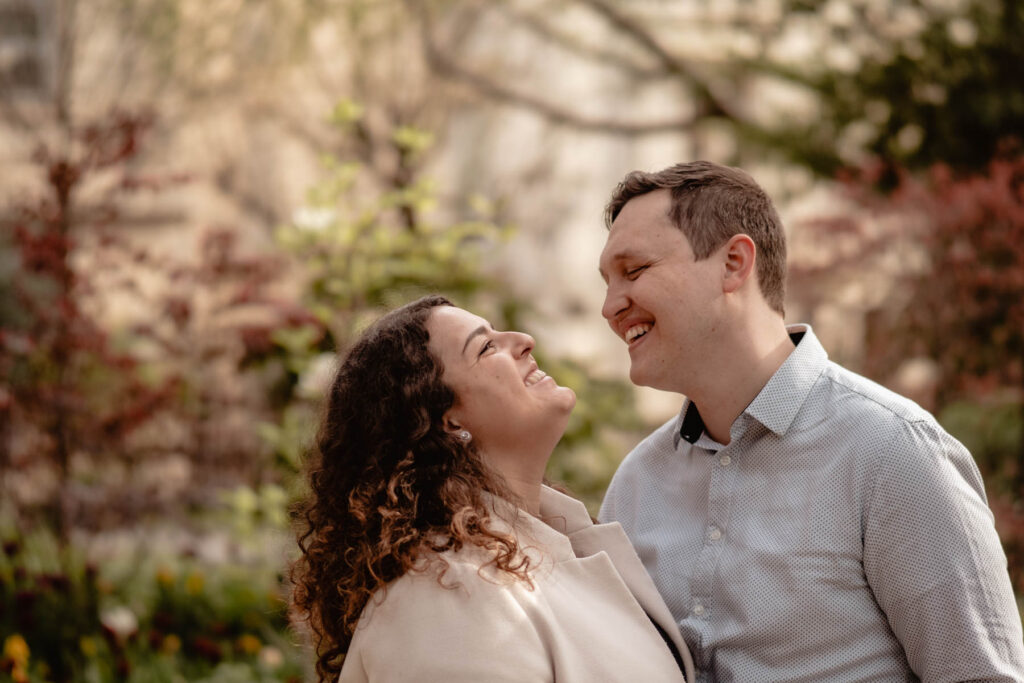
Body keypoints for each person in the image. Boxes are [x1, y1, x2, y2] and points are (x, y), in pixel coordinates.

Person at [597, 161, 1024, 682]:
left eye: (634, 270)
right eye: (607, 281)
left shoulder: (892, 451)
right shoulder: (635, 487)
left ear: (734, 262)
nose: (610, 306)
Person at [290, 294, 695, 683]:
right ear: (447, 422)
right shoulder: (444, 593)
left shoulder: (548, 547)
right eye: (485, 348)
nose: (523, 341)